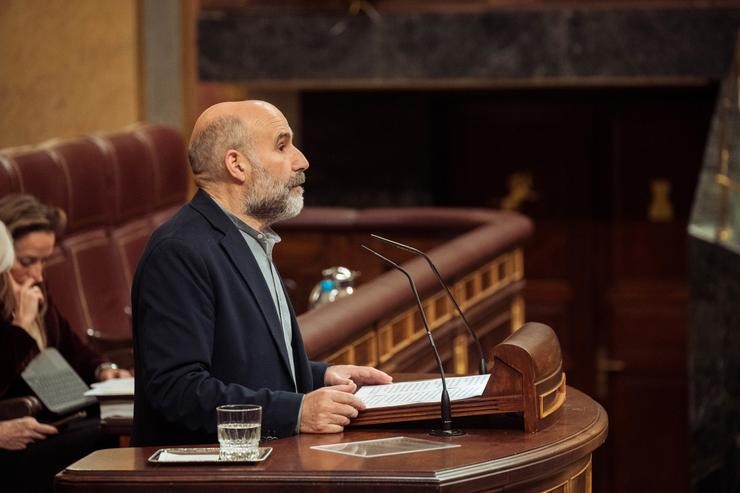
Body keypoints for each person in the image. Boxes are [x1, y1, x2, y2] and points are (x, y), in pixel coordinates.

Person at [132, 100, 392, 447]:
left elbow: (242, 363)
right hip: (209, 477)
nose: (301, 160)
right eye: (282, 146)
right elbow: (178, 390)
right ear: (237, 164)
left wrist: (319, 376)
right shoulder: (179, 251)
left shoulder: (248, 237)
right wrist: (297, 412)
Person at [0, 214, 121, 493]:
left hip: (60, 410)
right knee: (103, 441)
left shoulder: (36, 293)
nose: (38, 274)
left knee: (113, 430)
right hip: (29, 421)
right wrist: (20, 327)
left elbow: (73, 348)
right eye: (27, 261)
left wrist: (102, 368)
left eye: (43, 261)